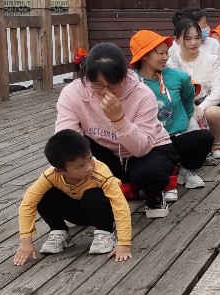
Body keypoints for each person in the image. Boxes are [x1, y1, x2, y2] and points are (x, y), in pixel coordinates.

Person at [55, 42, 179, 219]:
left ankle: (154, 193)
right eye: (98, 85)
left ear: (124, 76)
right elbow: (66, 138)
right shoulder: (73, 93)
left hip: (147, 149)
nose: (105, 92)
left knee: (149, 173)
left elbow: (142, 147)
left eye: (113, 84)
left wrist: (119, 119)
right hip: (106, 151)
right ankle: (127, 188)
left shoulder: (142, 94)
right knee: (75, 154)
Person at [13, 130, 132, 265]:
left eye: (90, 158)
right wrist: (26, 241)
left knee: (93, 194)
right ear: (60, 171)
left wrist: (124, 243)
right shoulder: (51, 175)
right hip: (76, 212)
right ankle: (59, 231)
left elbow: (120, 205)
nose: (89, 167)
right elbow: (28, 203)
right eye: (80, 166)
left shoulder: (101, 172)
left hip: (103, 212)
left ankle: (105, 233)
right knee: (43, 195)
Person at [130, 30, 215, 199]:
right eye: (160, 53)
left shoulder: (178, 77)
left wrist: (183, 118)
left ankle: (187, 171)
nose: (165, 57)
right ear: (145, 56)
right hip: (149, 142)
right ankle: (163, 181)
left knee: (204, 138)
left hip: (175, 136)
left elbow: (188, 96)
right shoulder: (131, 81)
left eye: (166, 53)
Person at [166, 19, 220, 161]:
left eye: (197, 38)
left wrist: (200, 108)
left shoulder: (211, 60)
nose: (194, 42)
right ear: (177, 40)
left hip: (205, 103)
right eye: (188, 39)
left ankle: (216, 143)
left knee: (214, 113)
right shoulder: (171, 63)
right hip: (182, 105)